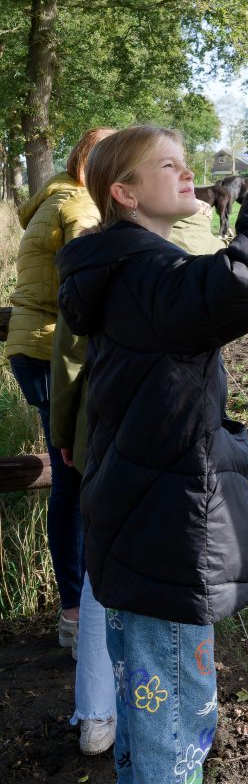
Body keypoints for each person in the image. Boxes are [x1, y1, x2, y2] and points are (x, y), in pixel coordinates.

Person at [56, 125, 248, 784]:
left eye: (187, 162)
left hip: (135, 530)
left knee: (146, 737)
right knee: (174, 745)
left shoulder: (121, 272)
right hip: (164, 543)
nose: (188, 173)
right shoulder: (147, 277)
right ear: (125, 193)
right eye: (168, 165)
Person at [50, 200, 229, 757]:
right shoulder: (193, 251)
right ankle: (176, 729)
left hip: (103, 434)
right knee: (165, 577)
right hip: (167, 440)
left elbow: (69, 356)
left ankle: (98, 716)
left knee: (101, 576)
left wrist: (63, 429)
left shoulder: (95, 260)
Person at [6, 127, 115, 652]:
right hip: (52, 349)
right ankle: (77, 613)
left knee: (72, 473)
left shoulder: (54, 197)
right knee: (73, 477)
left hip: (31, 347)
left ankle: (78, 609)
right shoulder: (81, 207)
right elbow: (87, 280)